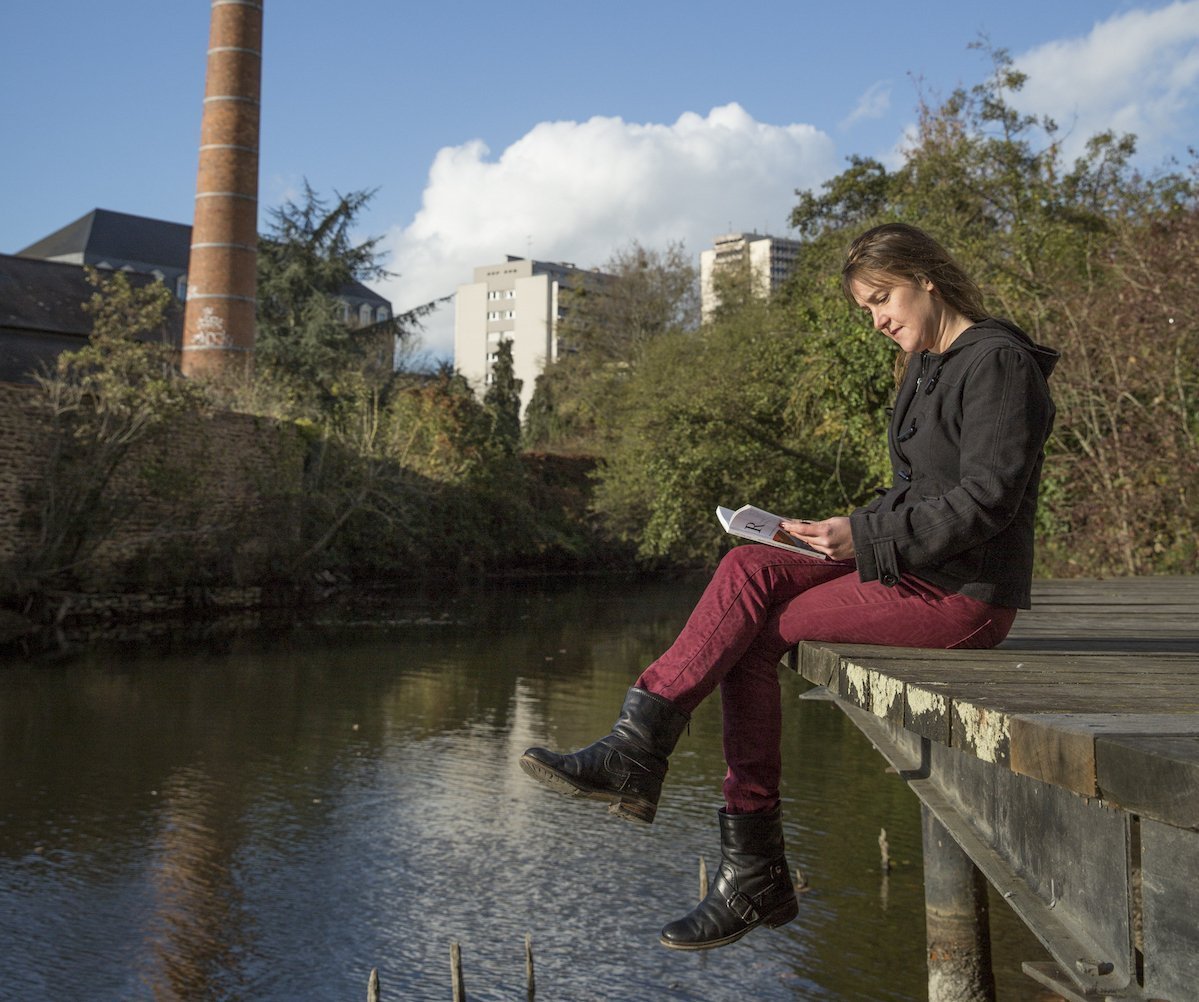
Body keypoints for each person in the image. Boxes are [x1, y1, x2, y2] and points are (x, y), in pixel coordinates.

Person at [520, 222, 1058, 951]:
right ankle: (639, 747)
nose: (876, 319)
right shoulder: (926, 364)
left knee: (752, 638)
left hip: (962, 596)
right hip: (909, 563)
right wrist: (838, 527)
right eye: (865, 308)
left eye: (881, 299)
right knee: (748, 566)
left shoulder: (996, 363)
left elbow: (986, 501)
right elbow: (919, 494)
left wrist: (863, 538)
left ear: (927, 278)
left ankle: (743, 858)